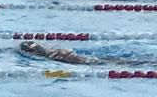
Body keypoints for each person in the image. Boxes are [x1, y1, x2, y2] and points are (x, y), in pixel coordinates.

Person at [14, 41, 157, 66]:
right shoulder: (53, 51)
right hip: (91, 59)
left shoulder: (53, 56)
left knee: (128, 63)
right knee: (129, 62)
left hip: (90, 62)